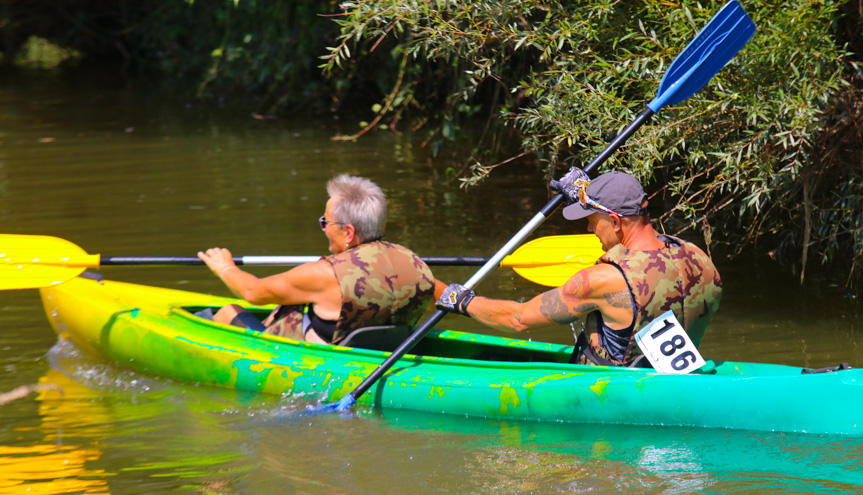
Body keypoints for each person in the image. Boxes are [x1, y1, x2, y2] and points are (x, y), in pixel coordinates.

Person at [435, 170, 723, 366]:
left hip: (611, 399)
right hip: (673, 386)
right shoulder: (698, 258)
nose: (588, 228)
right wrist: (587, 191)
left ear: (614, 222)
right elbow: (645, 264)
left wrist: (463, 302)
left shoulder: (601, 280)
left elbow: (519, 318)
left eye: (592, 220)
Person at [198, 174, 435, 345]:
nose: (323, 228)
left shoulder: (325, 273)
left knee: (229, 310)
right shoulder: (413, 265)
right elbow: (448, 302)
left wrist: (225, 267)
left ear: (349, 233)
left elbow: (253, 292)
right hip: (379, 356)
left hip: (319, 365)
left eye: (326, 222)